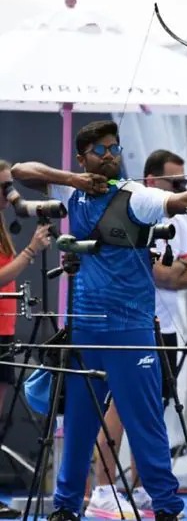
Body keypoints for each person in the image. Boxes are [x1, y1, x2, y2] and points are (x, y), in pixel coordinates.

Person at [11, 119, 187, 521]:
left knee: (145, 422)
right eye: (101, 150)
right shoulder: (71, 190)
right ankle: (65, 507)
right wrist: (75, 180)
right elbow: (20, 172)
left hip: (131, 331)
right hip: (85, 328)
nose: (111, 155)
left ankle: (167, 508)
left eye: (115, 148)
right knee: (78, 424)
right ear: (83, 158)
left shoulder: (136, 196)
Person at [86, 150, 187, 518]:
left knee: (151, 412)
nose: (182, 189)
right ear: (152, 182)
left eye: (185, 183)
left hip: (165, 329)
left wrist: (166, 270)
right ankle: (102, 490)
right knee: (120, 409)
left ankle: (143, 490)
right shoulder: (130, 209)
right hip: (131, 325)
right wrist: (168, 270)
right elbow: (147, 269)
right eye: (176, 183)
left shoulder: (176, 218)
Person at [0, 160, 52, 519]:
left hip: (3, 330)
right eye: (3, 187)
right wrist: (31, 251)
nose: (9, 195)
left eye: (9, 186)